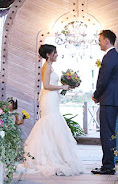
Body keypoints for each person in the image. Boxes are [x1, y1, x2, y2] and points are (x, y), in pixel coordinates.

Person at [23, 44, 84, 176]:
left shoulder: (50, 66)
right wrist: (62, 87)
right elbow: (46, 85)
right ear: (48, 55)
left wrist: (63, 86)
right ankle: (48, 157)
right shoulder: (47, 66)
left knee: (53, 123)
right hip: (49, 98)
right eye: (54, 53)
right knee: (50, 122)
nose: (56, 55)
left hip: (52, 98)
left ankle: (55, 154)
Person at [91, 30, 118, 175]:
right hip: (111, 100)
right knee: (108, 133)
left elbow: (103, 80)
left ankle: (108, 166)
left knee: (107, 134)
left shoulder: (110, 57)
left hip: (109, 100)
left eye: (100, 39)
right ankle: (108, 164)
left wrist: (96, 94)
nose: (98, 42)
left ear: (106, 40)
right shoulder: (113, 56)